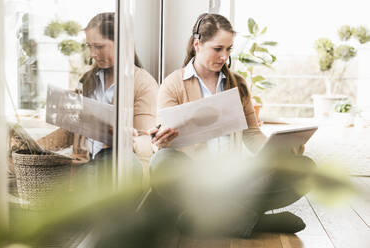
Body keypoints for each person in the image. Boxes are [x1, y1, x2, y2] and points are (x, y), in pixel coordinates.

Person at [149, 13, 315, 238]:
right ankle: (254, 221)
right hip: (196, 182)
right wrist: (161, 143)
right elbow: (164, 141)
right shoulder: (172, 84)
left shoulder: (237, 84)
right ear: (197, 44)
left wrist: (278, 151)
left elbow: (252, 135)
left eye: (229, 50)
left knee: (305, 168)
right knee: (161, 162)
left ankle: (210, 219)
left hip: (235, 179)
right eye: (218, 49)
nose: (224, 57)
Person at [38, 12, 158, 184]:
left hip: (120, 173)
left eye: (99, 47)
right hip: (85, 169)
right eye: (89, 46)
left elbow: (146, 141)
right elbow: (71, 129)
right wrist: (36, 146)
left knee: (106, 158)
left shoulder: (143, 83)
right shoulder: (87, 80)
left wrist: (127, 139)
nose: (92, 53)